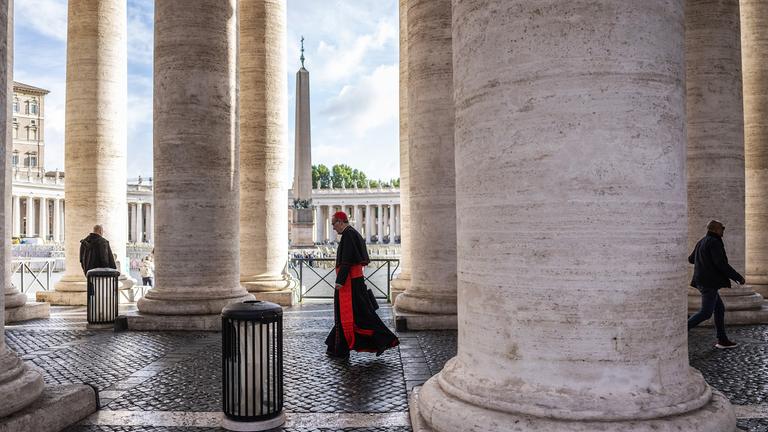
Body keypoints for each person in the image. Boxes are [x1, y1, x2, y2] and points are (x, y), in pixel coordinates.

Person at [325, 211, 399, 359]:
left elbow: (346, 260)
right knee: (354, 315)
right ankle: (335, 346)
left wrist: (340, 280)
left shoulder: (349, 235)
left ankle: (384, 340)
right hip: (354, 281)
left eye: (333, 224)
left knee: (361, 315)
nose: (333, 228)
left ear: (340, 221)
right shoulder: (352, 234)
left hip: (350, 283)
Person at [687, 219, 745, 349]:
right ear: (714, 229)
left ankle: (722, 340)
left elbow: (691, 259)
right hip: (709, 282)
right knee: (706, 312)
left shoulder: (702, 241)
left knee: (719, 309)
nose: (723, 230)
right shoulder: (714, 242)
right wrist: (738, 277)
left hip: (701, 280)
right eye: (722, 228)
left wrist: (703, 261)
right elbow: (721, 264)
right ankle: (682, 329)